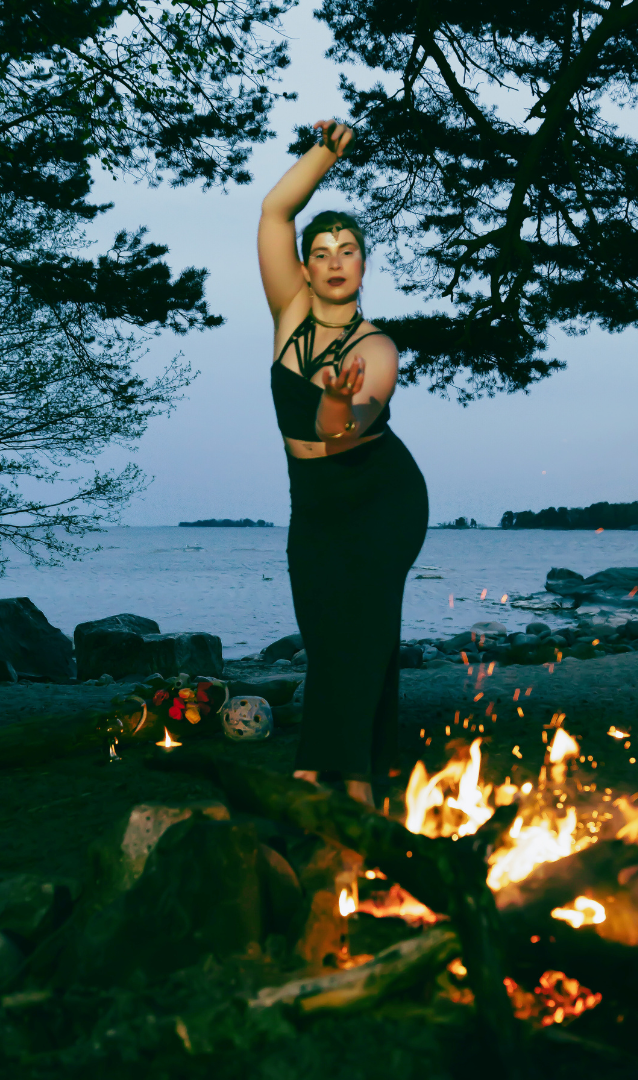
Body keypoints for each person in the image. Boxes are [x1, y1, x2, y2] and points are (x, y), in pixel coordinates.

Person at [258, 119, 429, 807]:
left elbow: (344, 431)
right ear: (304, 268)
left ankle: (337, 779)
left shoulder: (376, 347)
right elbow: (276, 211)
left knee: (363, 631)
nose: (334, 262)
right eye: (322, 252)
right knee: (326, 634)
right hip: (315, 503)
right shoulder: (289, 313)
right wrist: (327, 151)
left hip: (381, 497)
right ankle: (363, 764)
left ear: (362, 266)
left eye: (348, 251)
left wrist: (336, 402)